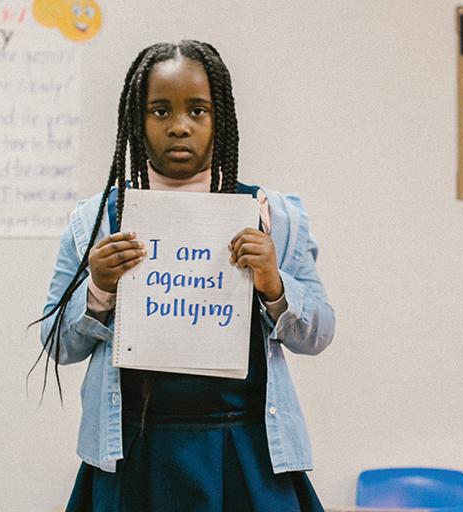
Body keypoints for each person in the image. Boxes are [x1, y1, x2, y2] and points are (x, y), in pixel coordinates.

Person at [32, 40, 336, 511]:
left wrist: (275, 286)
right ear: (137, 120)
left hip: (244, 451)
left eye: (198, 110)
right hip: (135, 452)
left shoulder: (272, 215)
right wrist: (98, 290)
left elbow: (319, 332)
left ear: (222, 119)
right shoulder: (97, 220)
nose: (179, 126)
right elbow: (57, 344)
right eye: (159, 111)